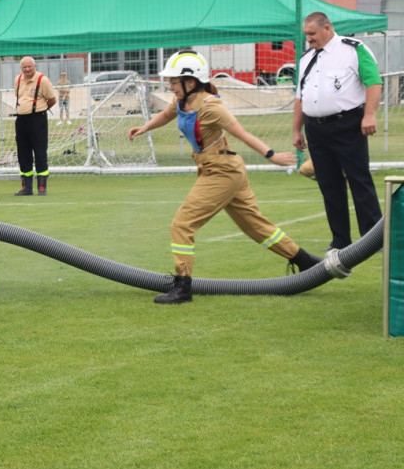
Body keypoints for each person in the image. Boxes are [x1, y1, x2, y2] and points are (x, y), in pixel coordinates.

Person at [128, 50, 322, 304]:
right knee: (255, 226)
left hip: (222, 172)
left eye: (173, 81)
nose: (169, 86)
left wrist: (271, 155)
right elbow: (166, 115)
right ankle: (307, 262)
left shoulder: (211, 105)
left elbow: (241, 132)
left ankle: (183, 287)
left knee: (182, 225)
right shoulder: (181, 101)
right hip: (219, 169)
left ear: (191, 81)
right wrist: (144, 127)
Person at [292, 11, 383, 251]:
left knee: (359, 179)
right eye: (306, 35)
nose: (309, 39)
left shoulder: (353, 50)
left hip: (347, 124)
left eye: (312, 34)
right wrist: (296, 130)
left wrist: (370, 115)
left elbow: (373, 82)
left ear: (328, 28)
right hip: (316, 129)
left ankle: (373, 238)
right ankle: (340, 241)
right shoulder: (306, 58)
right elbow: (301, 97)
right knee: (329, 185)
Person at [14, 56, 58, 196]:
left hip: (37, 119)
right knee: (23, 153)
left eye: (29, 67)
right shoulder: (18, 79)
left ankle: (41, 186)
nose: (27, 69)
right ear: (21, 68)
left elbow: (52, 100)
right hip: (21, 120)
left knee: (40, 152)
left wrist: (39, 109)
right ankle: (26, 187)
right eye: (24, 67)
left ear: (35, 66)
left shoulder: (42, 80)